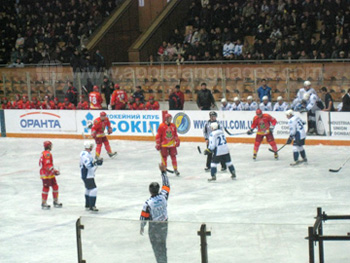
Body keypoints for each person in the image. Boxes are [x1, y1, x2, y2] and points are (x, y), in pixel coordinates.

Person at [140, 163, 170, 263]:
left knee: (156, 248)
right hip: (164, 225)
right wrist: (163, 172)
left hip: (154, 228)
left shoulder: (148, 203)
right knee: (163, 245)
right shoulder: (163, 196)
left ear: (149, 191)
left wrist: (142, 226)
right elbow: (166, 185)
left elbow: (144, 217)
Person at [80, 141, 103, 212]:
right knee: (93, 189)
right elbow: (88, 165)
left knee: (88, 189)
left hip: (87, 174)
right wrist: (95, 163)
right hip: (87, 175)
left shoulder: (85, 153)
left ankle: (87, 204)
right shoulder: (85, 155)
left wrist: (96, 163)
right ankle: (92, 206)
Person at [39, 141, 62, 209]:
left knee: (55, 186)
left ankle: (55, 201)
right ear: (49, 146)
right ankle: (44, 202)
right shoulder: (47, 154)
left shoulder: (44, 153)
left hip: (49, 174)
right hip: (46, 174)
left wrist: (53, 171)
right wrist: (54, 171)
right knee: (46, 187)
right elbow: (47, 165)